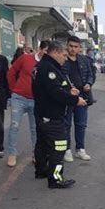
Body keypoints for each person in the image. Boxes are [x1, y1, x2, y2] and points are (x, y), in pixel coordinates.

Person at [33, 40, 87, 189]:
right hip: (52, 116)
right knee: (59, 147)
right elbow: (55, 93)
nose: (65, 58)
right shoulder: (49, 69)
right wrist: (75, 100)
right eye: (63, 55)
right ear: (55, 52)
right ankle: (55, 178)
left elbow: (54, 88)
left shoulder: (44, 66)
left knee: (42, 144)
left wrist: (68, 91)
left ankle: (41, 170)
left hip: (42, 114)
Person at [6, 40, 50, 167]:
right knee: (14, 126)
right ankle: (12, 153)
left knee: (35, 129)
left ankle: (36, 154)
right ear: (40, 49)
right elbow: (11, 72)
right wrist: (14, 89)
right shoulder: (25, 58)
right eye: (45, 51)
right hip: (19, 98)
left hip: (37, 101)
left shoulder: (47, 65)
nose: (47, 54)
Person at [62, 36, 95, 163]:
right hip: (67, 96)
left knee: (81, 124)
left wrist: (88, 84)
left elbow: (90, 75)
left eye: (76, 47)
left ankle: (80, 149)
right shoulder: (62, 59)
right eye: (71, 46)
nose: (73, 49)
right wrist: (68, 90)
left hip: (82, 95)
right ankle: (67, 150)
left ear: (79, 48)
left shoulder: (84, 60)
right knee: (66, 124)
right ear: (67, 45)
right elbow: (60, 77)